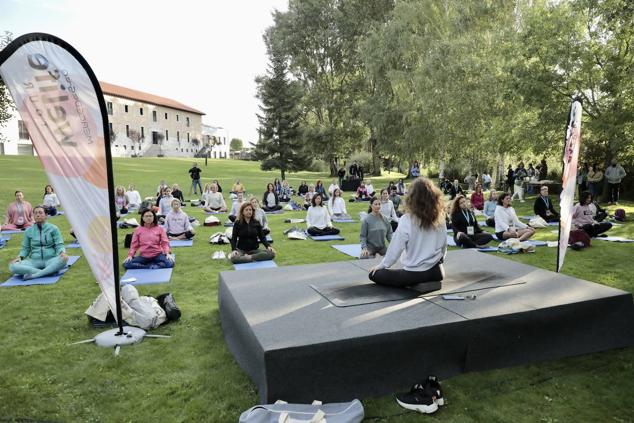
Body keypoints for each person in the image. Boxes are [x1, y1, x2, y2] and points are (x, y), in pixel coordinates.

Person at [368, 178, 446, 288]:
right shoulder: (440, 218)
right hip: (437, 272)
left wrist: (382, 265)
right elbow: (443, 247)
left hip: (414, 273)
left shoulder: (407, 219)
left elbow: (395, 248)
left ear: (412, 198)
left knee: (373, 274)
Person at [8, 206, 68, 280]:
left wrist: (62, 252)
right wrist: (20, 257)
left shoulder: (53, 228)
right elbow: (25, 248)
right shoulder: (28, 231)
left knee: (64, 259)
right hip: (34, 261)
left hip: (51, 259)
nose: (37, 215)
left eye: (40, 213)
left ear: (46, 215)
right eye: (35, 213)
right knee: (12, 266)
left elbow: (59, 244)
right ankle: (48, 272)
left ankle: (34, 275)